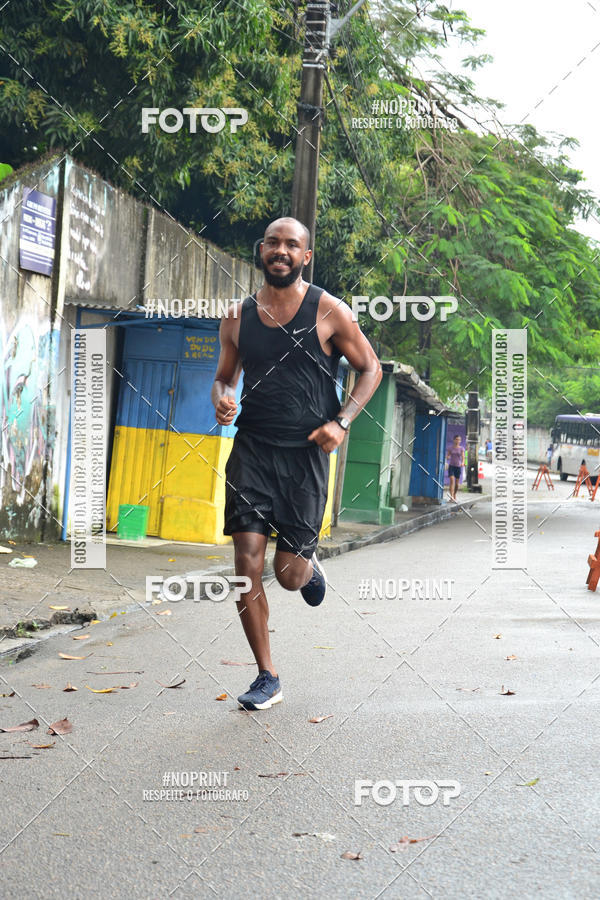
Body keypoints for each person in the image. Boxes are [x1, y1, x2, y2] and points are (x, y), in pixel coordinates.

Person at [211, 217, 382, 710]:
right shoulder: (237, 317)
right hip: (252, 452)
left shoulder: (329, 311)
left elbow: (369, 368)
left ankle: (308, 569)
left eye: (292, 245)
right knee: (246, 563)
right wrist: (223, 398)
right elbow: (224, 378)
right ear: (260, 250)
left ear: (306, 256)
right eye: (273, 243)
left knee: (286, 574)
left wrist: (343, 420)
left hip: (306, 456)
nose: (281, 251)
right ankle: (267, 676)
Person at [446, 434, 465, 501]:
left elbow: (463, 457)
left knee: (456, 484)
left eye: (459, 440)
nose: (458, 441)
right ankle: (451, 497)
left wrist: (462, 462)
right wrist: (447, 457)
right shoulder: (450, 448)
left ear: (460, 441)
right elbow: (447, 455)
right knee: (451, 480)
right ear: (454, 440)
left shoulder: (461, 448)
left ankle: (454, 494)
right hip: (451, 466)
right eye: (456, 439)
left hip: (458, 466)